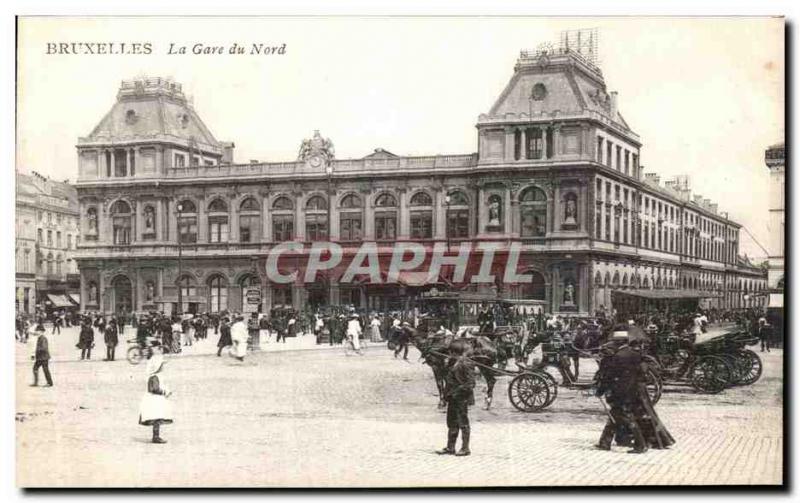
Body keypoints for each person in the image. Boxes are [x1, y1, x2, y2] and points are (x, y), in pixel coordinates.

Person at [435, 342, 475, 456]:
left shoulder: (465, 364)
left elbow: (470, 383)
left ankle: (465, 448)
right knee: (451, 422)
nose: (449, 355)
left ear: (454, 353)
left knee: (463, 422)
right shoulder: (453, 363)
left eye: (450, 353)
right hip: (452, 397)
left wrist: (457, 392)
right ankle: (450, 447)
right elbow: (449, 379)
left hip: (461, 398)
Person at [138, 353, 173, 444]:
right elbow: (153, 389)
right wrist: (164, 392)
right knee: (157, 418)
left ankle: (156, 436)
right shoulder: (154, 377)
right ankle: (156, 437)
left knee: (157, 418)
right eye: (161, 365)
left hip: (156, 400)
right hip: (154, 401)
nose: (162, 367)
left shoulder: (155, 376)